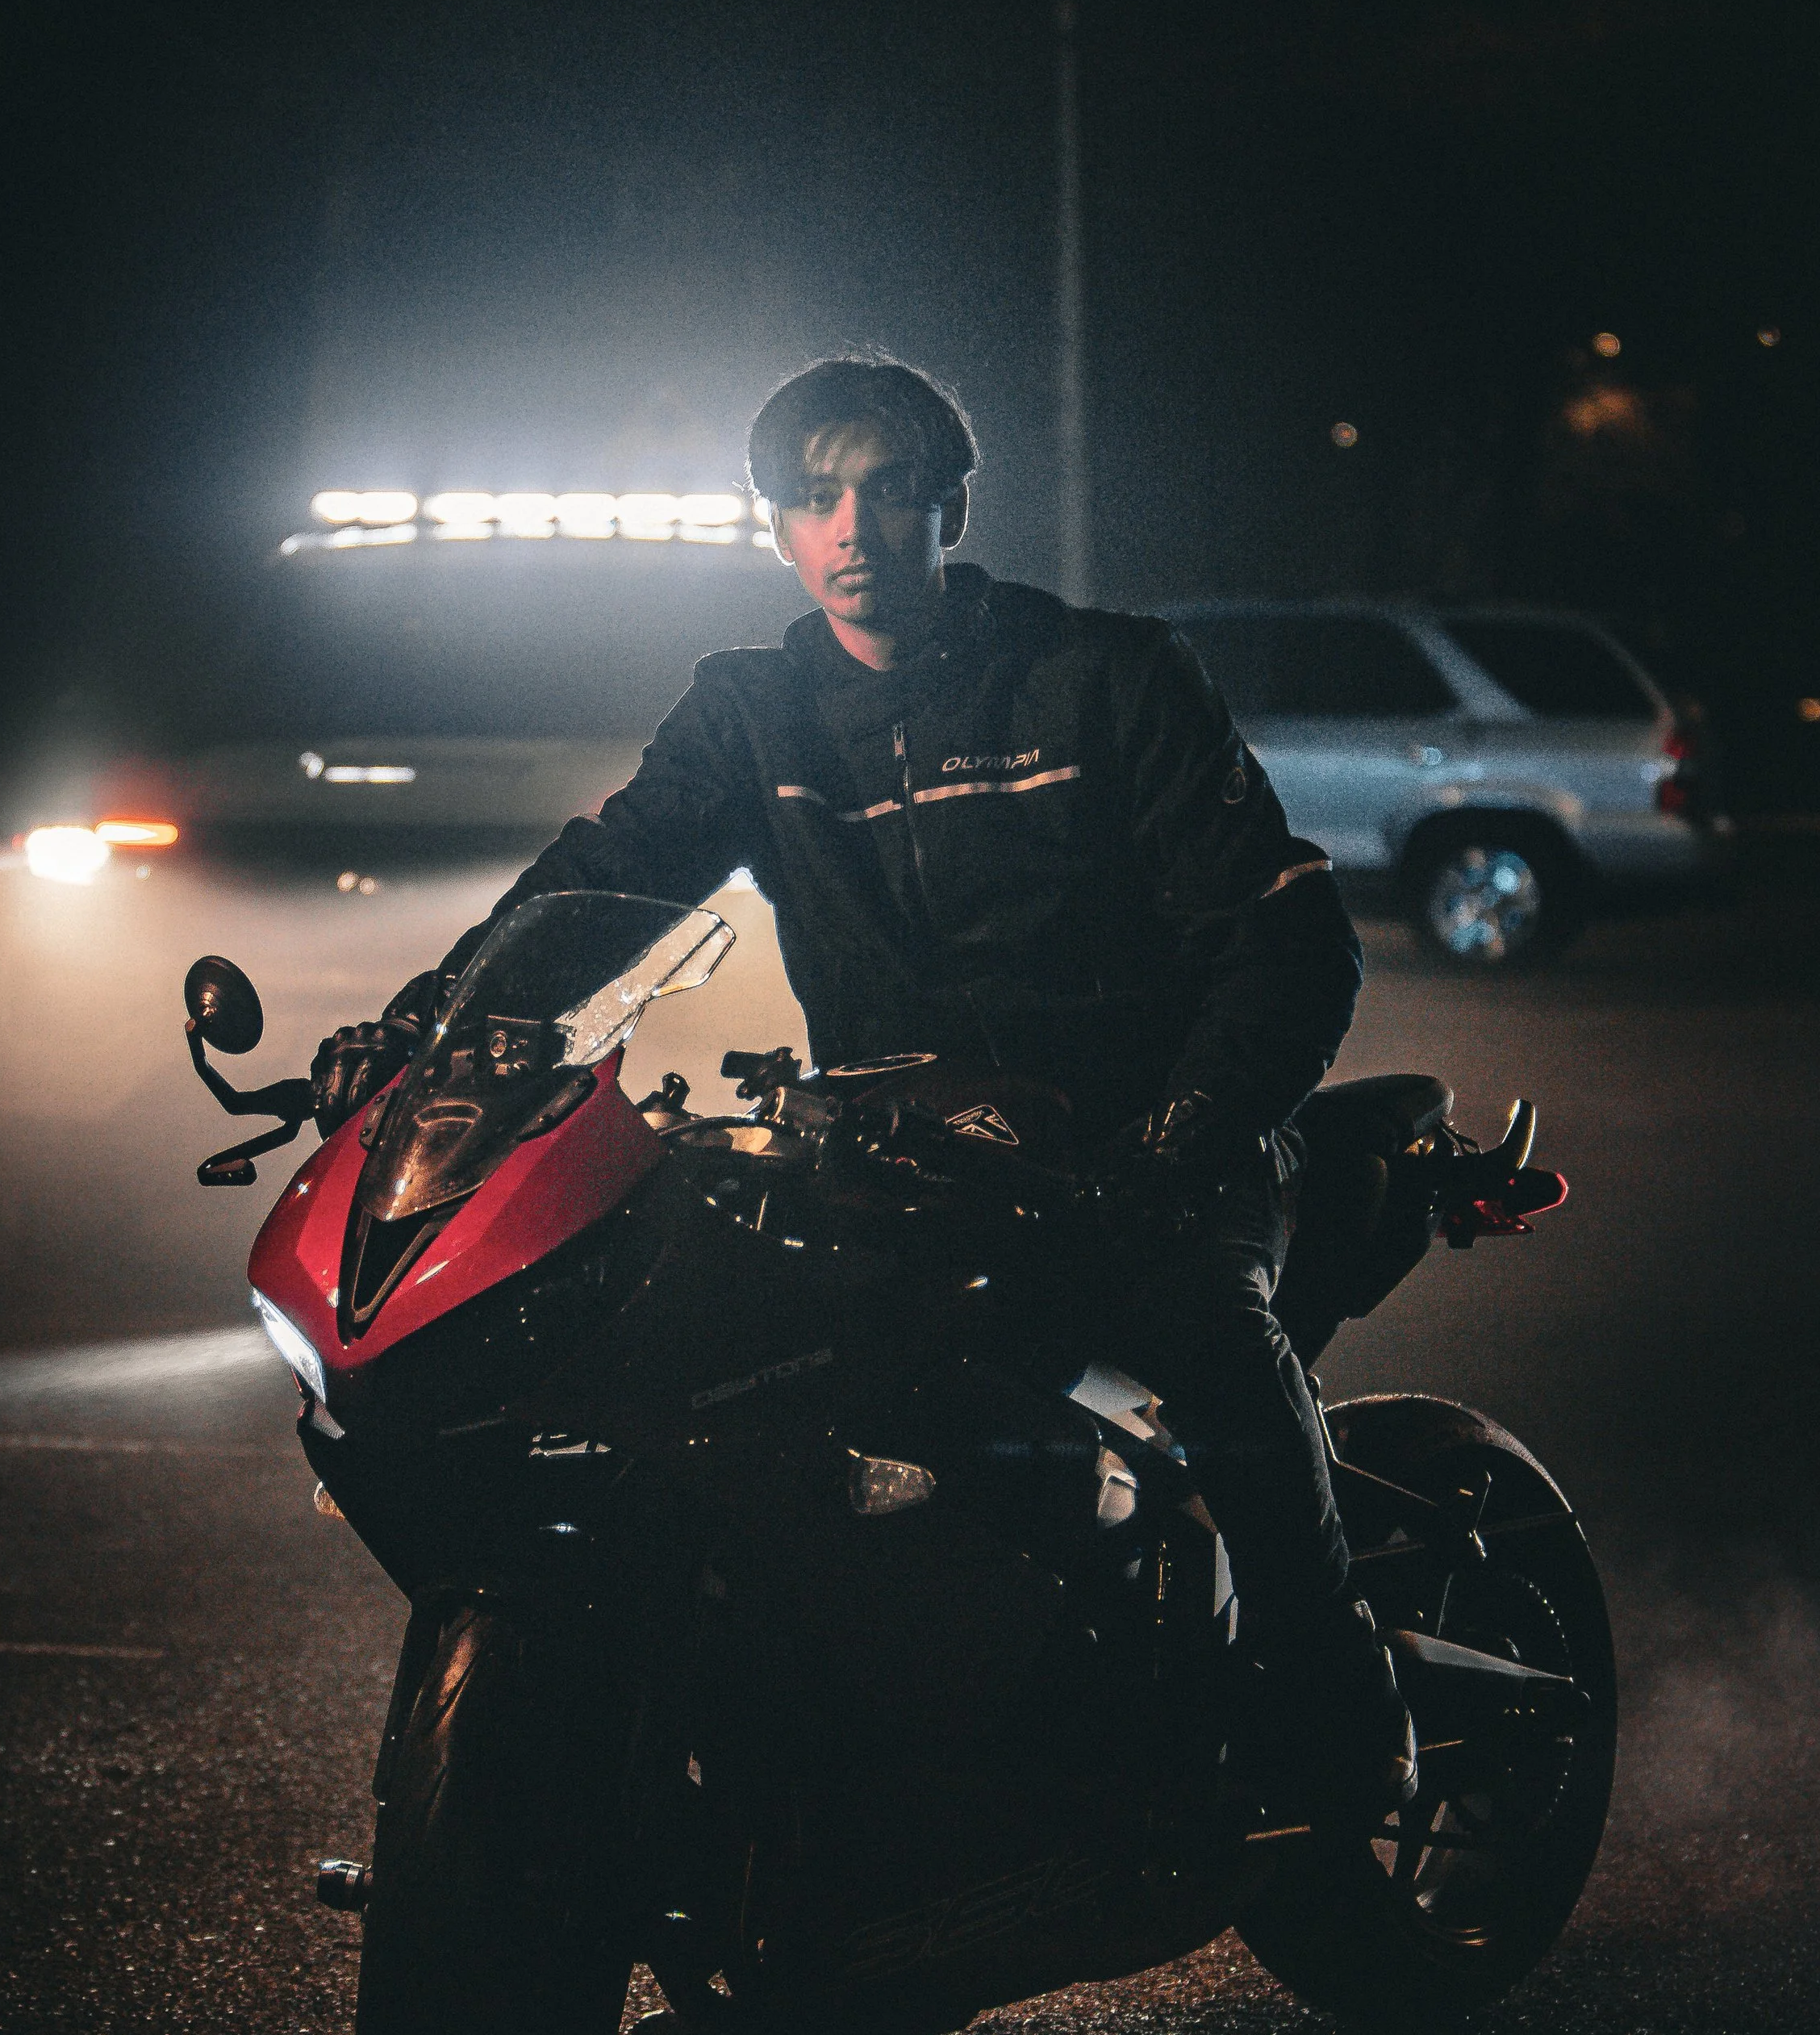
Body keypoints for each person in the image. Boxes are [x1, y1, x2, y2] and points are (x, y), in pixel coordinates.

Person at [311, 357, 1413, 1821]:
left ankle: (1338, 1701)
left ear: (948, 506)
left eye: (890, 492)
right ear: (777, 528)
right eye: (815, 499)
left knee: (1201, 1331)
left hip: (1150, 1139)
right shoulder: (755, 713)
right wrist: (427, 1033)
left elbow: (1285, 939)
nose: (854, 529)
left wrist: (1174, 1141)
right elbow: (604, 880)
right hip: (902, 1150)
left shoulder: (1105, 675)